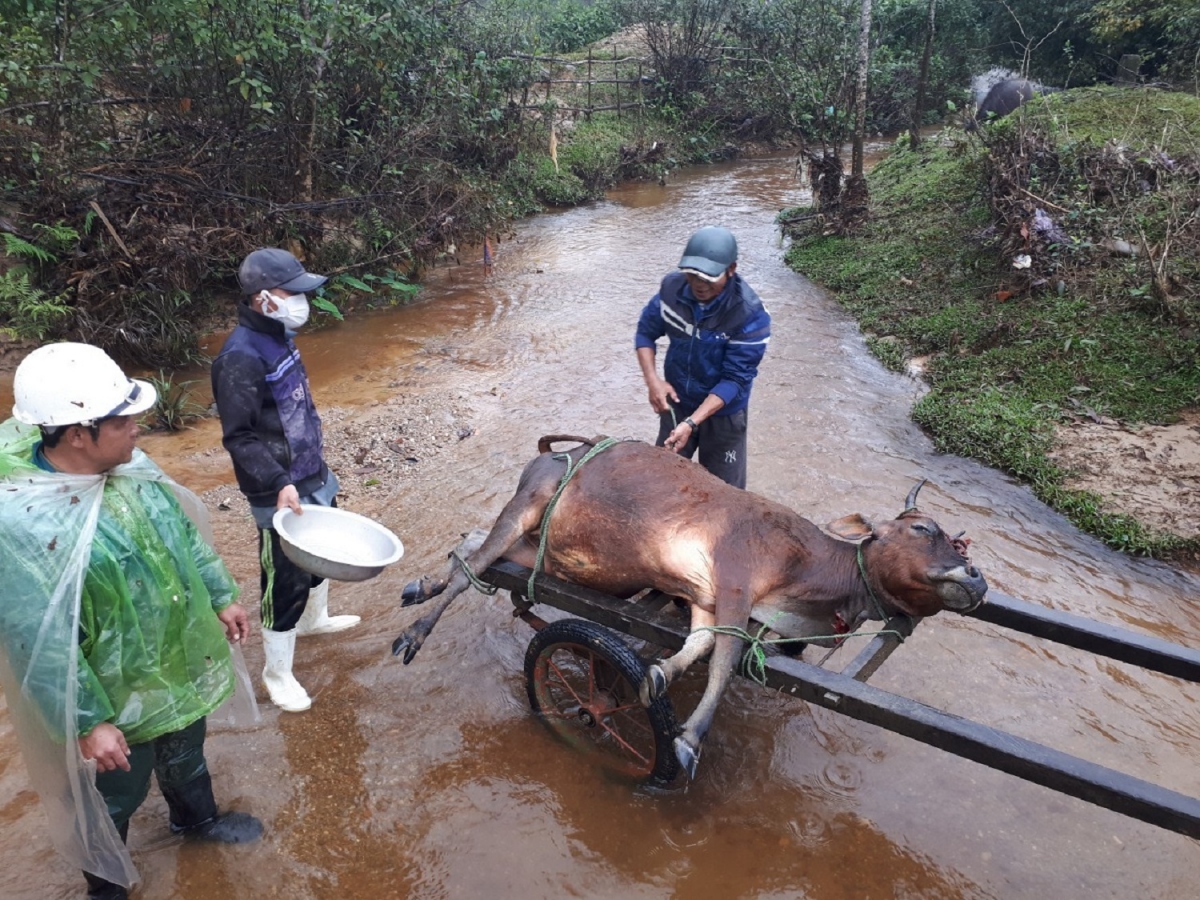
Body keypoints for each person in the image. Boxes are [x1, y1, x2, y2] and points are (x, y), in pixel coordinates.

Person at [0, 342, 262, 900]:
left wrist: (221, 594)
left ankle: (196, 822)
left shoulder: (127, 464)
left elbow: (183, 534)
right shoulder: (22, 522)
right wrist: (88, 720)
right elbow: (38, 642)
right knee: (114, 789)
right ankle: (105, 885)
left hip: (173, 653)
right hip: (108, 690)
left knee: (186, 748)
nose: (139, 427)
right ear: (76, 432)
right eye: (123, 420)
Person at [211, 248, 359, 714]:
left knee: (323, 555)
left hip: (309, 471)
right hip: (277, 488)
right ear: (261, 299)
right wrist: (277, 480)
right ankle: (277, 672)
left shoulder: (279, 334)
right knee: (284, 578)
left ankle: (315, 622)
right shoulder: (238, 357)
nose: (300, 300)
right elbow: (239, 437)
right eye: (289, 292)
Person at [635, 226, 772, 489]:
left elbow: (734, 380)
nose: (698, 284)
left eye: (709, 277)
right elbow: (645, 333)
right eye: (692, 274)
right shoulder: (672, 290)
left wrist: (692, 423)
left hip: (723, 416)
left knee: (723, 494)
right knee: (660, 482)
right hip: (677, 404)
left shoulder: (750, 315)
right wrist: (653, 382)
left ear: (731, 269)